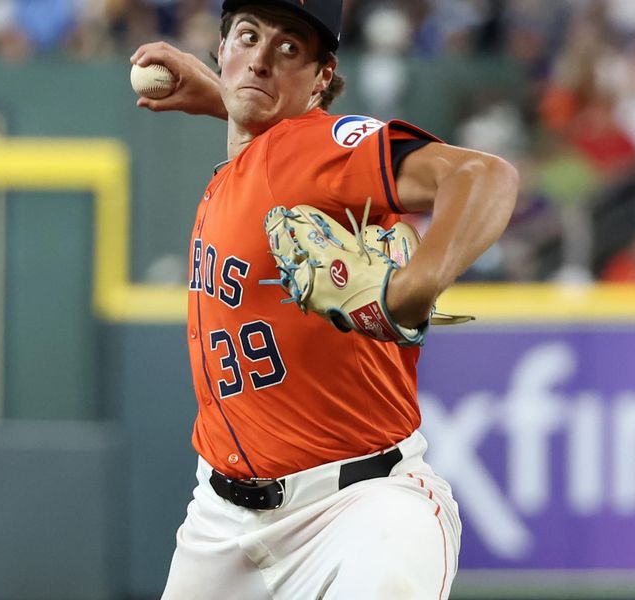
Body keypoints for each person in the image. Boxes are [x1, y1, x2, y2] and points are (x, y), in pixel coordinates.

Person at [130, 1, 518, 598]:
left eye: (288, 49)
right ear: (221, 46)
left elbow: (484, 176)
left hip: (361, 510)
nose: (260, 59)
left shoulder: (317, 149)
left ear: (321, 79)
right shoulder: (252, 160)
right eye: (248, 36)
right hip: (219, 521)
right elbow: (263, 151)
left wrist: (414, 289)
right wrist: (220, 98)